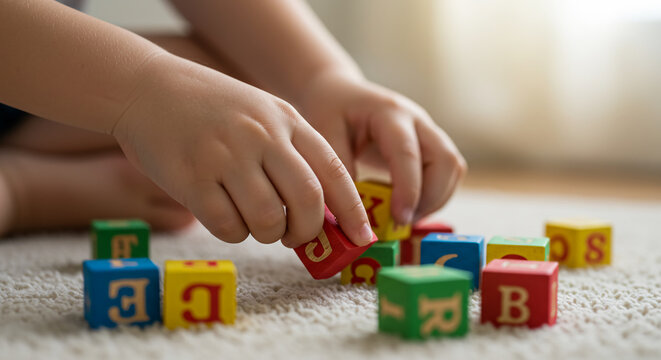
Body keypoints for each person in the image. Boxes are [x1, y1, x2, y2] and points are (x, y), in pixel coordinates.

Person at [0, 0, 466, 248]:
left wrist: (319, 80)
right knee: (209, 113)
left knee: (247, 98)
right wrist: (144, 91)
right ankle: (23, 186)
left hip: (39, 73)